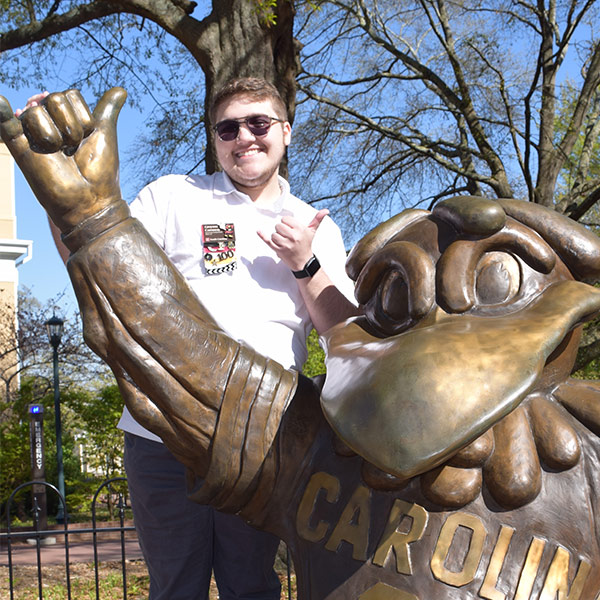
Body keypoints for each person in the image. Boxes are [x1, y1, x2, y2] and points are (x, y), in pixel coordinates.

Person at [18, 79, 358, 600]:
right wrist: (59, 200)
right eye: (228, 128)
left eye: (259, 123)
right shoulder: (172, 196)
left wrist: (305, 265)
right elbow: (99, 269)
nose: (244, 136)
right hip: (160, 439)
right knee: (176, 588)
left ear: (286, 132)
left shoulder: (315, 226)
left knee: (253, 588)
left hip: (261, 440)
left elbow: (346, 337)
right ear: (216, 139)